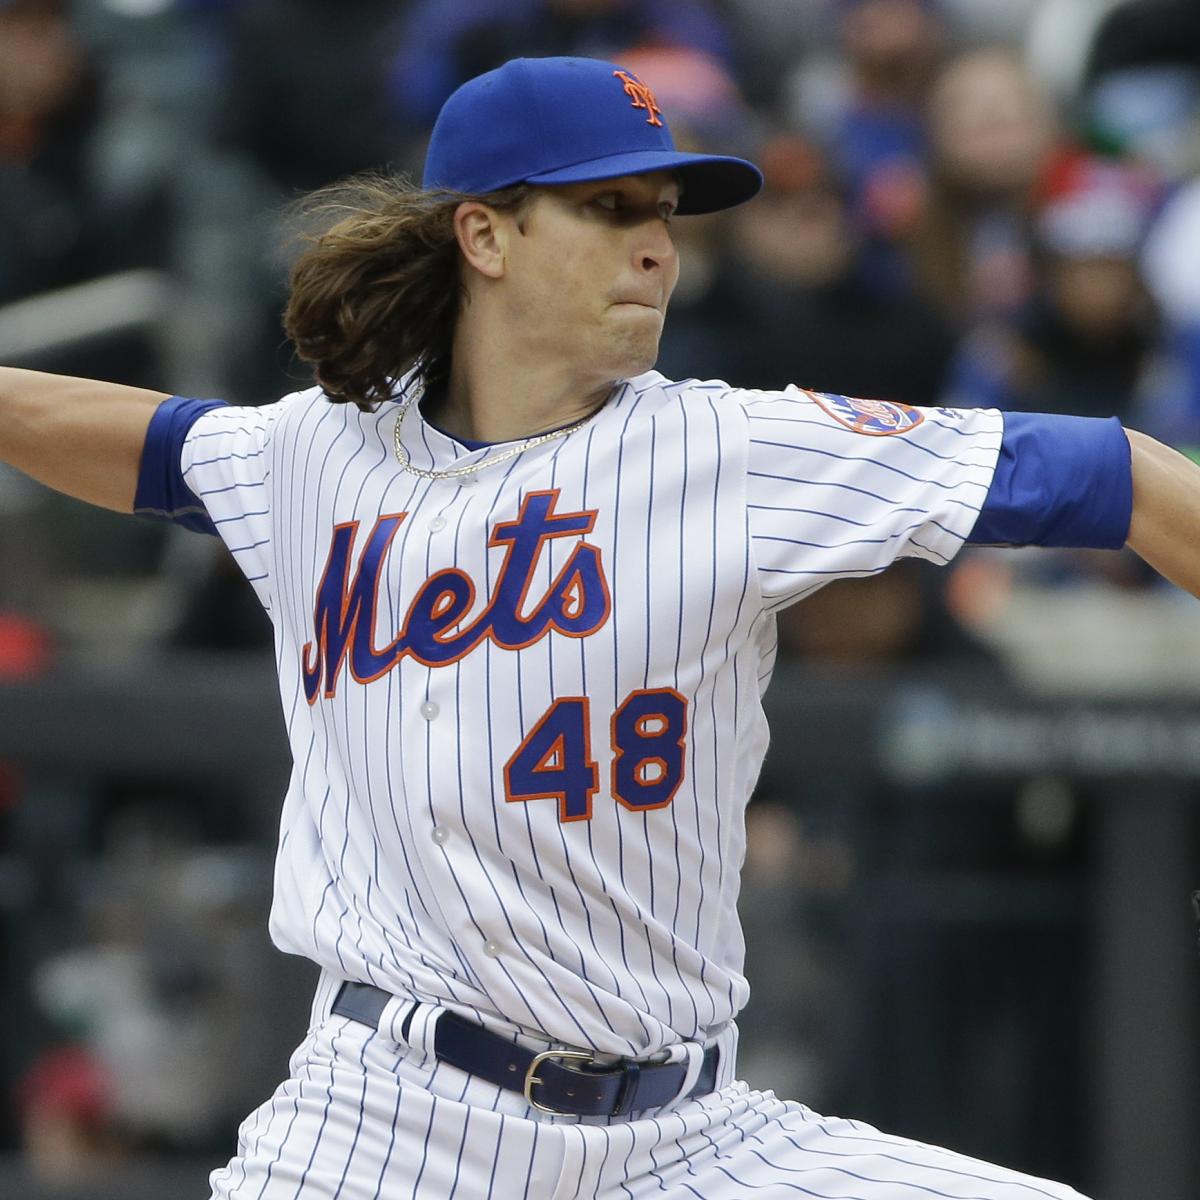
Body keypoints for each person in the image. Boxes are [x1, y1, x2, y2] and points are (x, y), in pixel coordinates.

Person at [2, 54, 1198, 1199]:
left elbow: (1126, 477)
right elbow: (144, 443)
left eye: (667, 212)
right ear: (485, 234)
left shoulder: (731, 450)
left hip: (690, 1138)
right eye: (608, 207)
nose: (656, 247)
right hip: (386, 1126)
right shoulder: (314, 452)